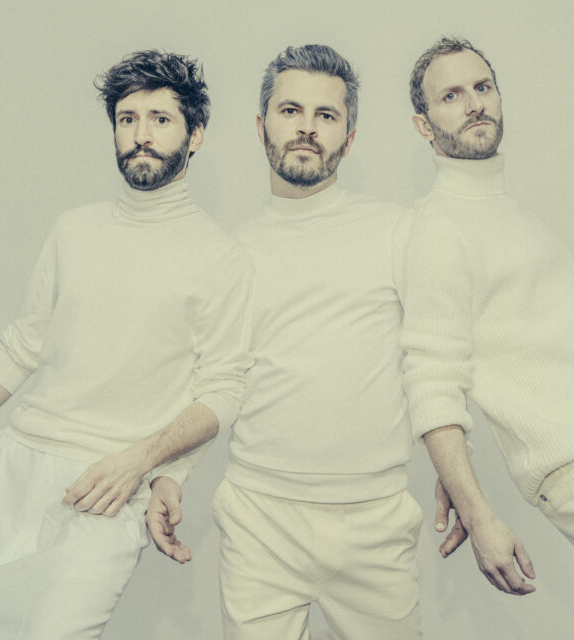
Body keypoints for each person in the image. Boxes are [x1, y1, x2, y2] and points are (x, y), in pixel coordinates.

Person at [0, 50, 253, 639]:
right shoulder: (72, 228)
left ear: (195, 135)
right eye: (128, 119)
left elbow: (224, 390)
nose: (141, 134)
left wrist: (145, 464)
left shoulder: (221, 257)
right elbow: (21, 346)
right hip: (9, 463)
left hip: (105, 484)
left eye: (160, 119)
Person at [149, 44, 424, 639]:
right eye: (290, 110)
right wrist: (173, 473)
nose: (306, 127)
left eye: (326, 115)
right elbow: (214, 378)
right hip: (259, 518)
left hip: (374, 518)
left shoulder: (397, 232)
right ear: (261, 126)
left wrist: (461, 478)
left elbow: (437, 365)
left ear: (349, 137)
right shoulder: (231, 253)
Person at [404, 36, 574, 591]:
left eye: (482, 87)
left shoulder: (511, 215)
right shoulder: (437, 228)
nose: (474, 103)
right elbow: (432, 383)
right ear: (424, 125)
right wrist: (478, 514)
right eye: (450, 96)